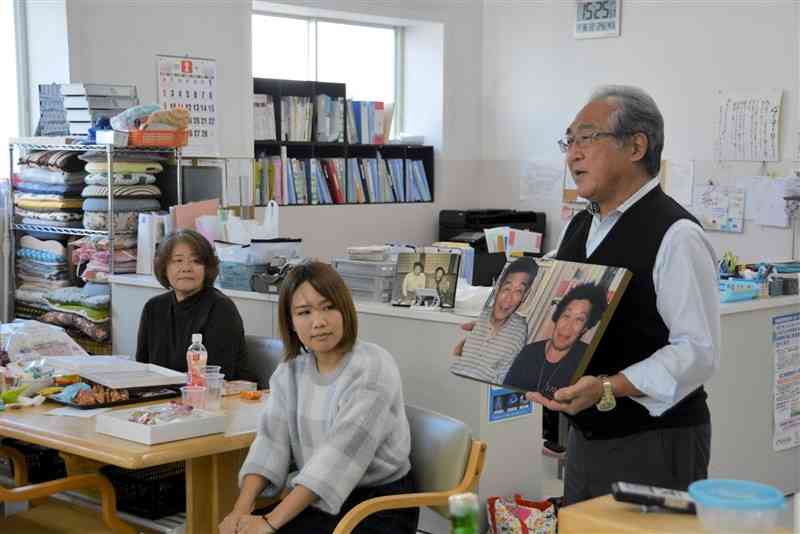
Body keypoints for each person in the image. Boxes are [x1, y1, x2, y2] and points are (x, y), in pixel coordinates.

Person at [524, 85, 721, 504]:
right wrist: (499, 331)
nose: (572, 154)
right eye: (569, 140)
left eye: (586, 138)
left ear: (636, 146)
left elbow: (697, 351)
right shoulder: (581, 227)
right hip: (587, 433)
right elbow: (548, 302)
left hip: (656, 438)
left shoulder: (677, 234)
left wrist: (610, 387)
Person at [220, 260, 418, 534]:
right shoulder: (290, 372)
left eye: (328, 307)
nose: (319, 322)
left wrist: (268, 522)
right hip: (316, 498)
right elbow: (270, 442)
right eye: (304, 312)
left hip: (379, 506)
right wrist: (240, 511)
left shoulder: (373, 367)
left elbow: (336, 459)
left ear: (345, 310)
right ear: (290, 322)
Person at [135, 229, 247, 380]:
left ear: (207, 268)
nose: (186, 268)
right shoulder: (154, 308)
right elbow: (142, 368)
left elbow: (219, 375)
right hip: (161, 397)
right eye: (178, 260)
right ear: (164, 267)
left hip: (214, 397)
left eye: (196, 261)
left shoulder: (221, 308)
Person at [503, 282, 608, 397]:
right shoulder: (529, 352)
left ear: (585, 327)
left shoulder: (587, 358)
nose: (567, 326)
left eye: (579, 320)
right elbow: (506, 392)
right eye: (566, 315)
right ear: (557, 317)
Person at [450, 257, 539, 383]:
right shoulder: (481, 314)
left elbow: (499, 380)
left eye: (518, 291)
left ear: (524, 296)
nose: (509, 299)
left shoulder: (519, 330)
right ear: (498, 286)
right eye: (507, 288)